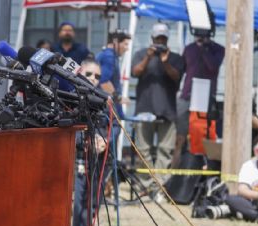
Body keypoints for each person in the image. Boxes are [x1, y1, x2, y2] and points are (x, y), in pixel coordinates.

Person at [131, 23, 184, 189]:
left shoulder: (175, 58)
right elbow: (135, 72)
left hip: (167, 111)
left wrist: (165, 62)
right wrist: (148, 57)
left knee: (165, 150)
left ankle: (159, 186)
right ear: (152, 39)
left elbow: (177, 77)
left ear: (167, 39)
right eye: (157, 39)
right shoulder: (141, 54)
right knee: (142, 149)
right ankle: (147, 184)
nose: (160, 42)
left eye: (163, 39)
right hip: (144, 109)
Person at [71, 59, 108, 226]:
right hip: (75, 160)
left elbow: (113, 125)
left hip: (95, 163)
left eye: (97, 76)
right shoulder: (69, 97)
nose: (93, 79)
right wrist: (83, 141)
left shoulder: (102, 99)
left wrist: (103, 140)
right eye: (89, 74)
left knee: (90, 208)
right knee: (75, 208)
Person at [173, 34, 225, 168]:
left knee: (201, 138)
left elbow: (213, 67)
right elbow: (181, 71)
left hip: (206, 98)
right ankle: (175, 170)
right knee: (180, 137)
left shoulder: (218, 49)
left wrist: (204, 48)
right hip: (186, 96)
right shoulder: (189, 48)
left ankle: (200, 167)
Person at [96, 30, 131, 116]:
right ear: (115, 42)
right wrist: (118, 98)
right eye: (125, 44)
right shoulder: (109, 56)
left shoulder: (106, 55)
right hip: (108, 110)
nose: (127, 48)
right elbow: (104, 82)